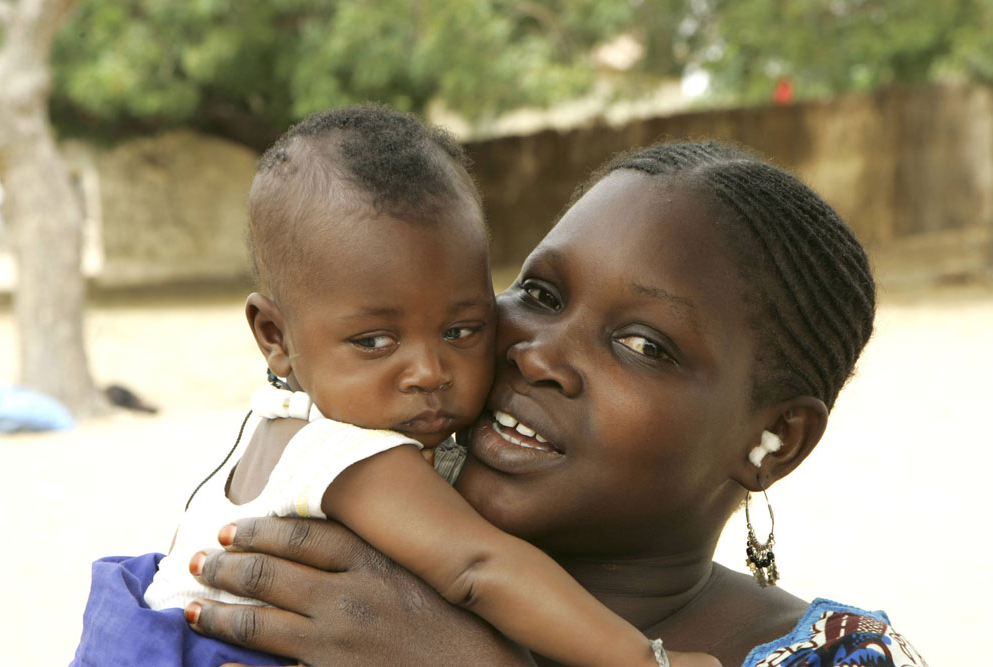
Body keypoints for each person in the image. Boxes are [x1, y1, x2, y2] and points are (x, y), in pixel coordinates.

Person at [178, 141, 930, 666]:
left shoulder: (837, 656)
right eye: (539, 293)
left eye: (642, 344)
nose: (535, 352)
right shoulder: (337, 553)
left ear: (773, 438)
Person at [72, 107, 711, 667]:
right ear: (275, 336)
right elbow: (477, 568)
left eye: (462, 329)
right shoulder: (347, 455)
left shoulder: (279, 421)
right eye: (375, 341)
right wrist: (644, 659)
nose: (428, 372)